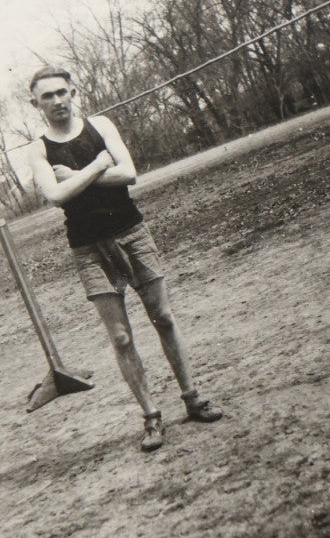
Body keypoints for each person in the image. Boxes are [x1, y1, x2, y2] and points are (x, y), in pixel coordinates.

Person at [24, 66, 223, 452]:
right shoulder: (38, 149)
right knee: (120, 336)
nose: (57, 100)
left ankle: (193, 397)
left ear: (74, 91)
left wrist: (80, 173)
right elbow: (56, 196)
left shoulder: (101, 125)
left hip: (132, 233)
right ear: (36, 104)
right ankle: (151, 417)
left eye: (62, 92)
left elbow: (129, 173)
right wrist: (101, 165)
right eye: (47, 96)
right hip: (88, 248)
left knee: (163, 317)